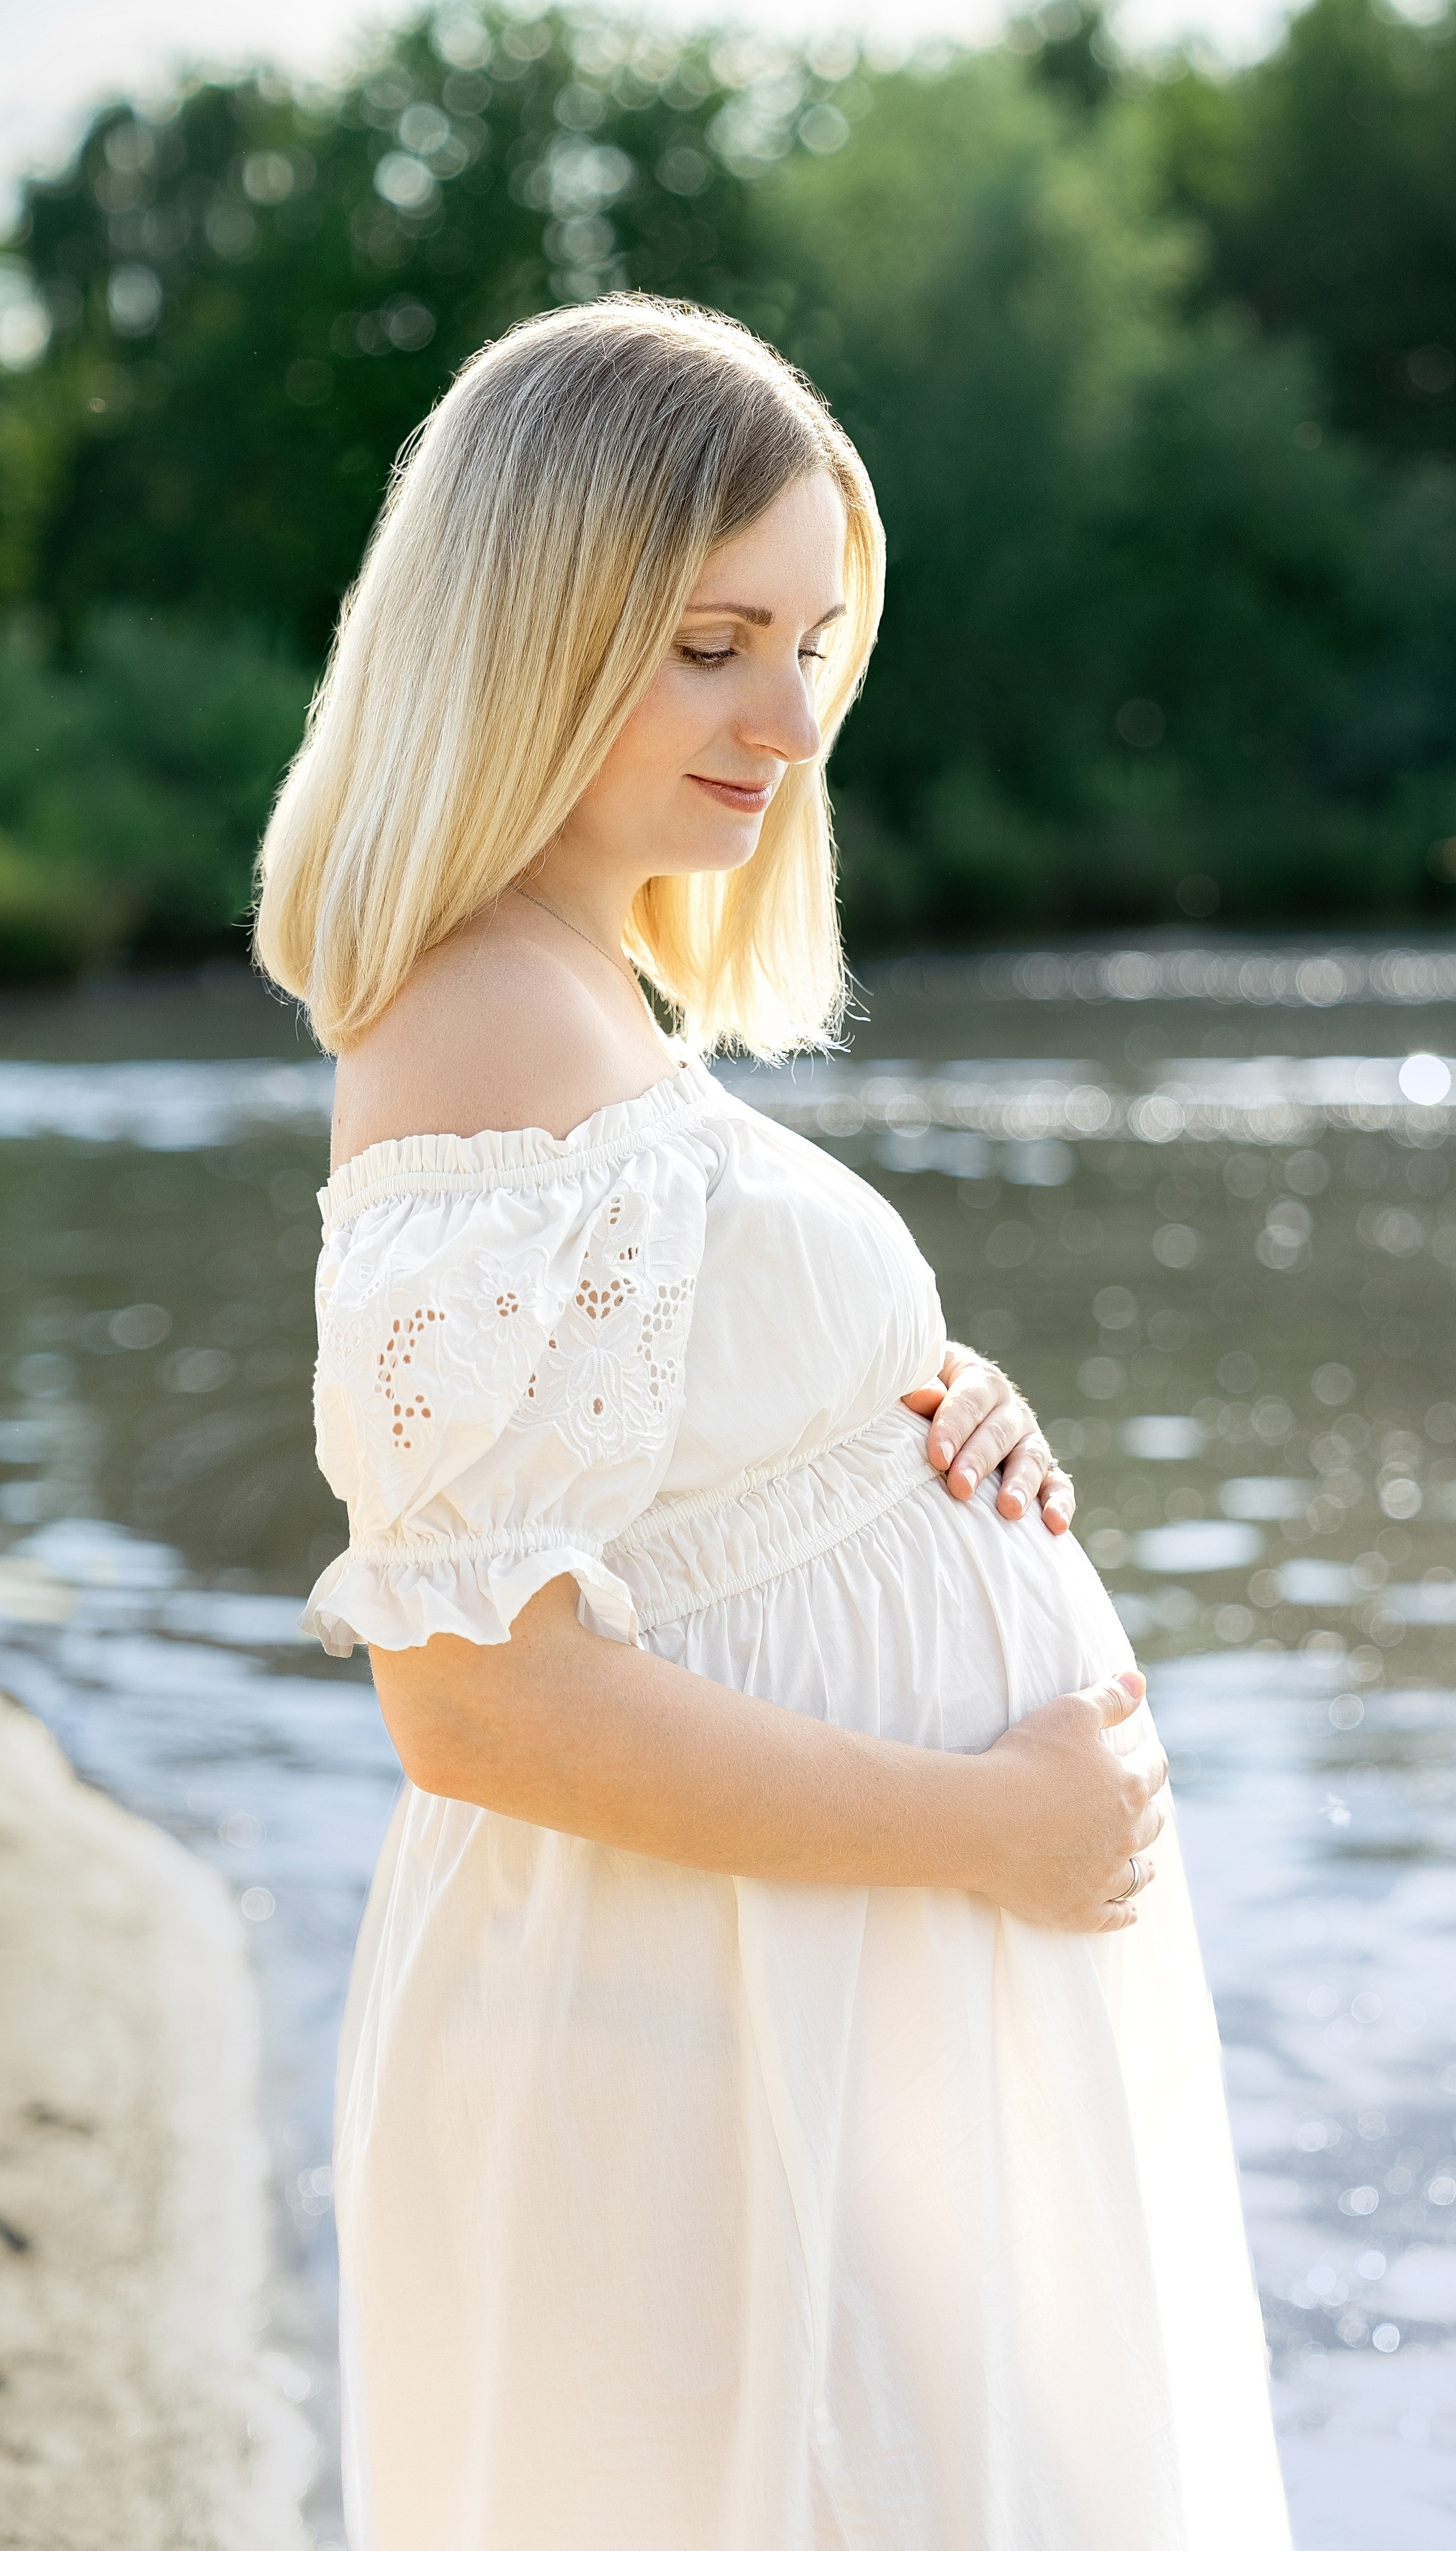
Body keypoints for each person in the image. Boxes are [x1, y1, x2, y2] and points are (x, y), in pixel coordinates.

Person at [256, 295, 1291, 2551]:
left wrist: (908, 1410)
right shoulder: (475, 1031)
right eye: (715, 642)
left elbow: (663, 1455)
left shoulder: (574, 995)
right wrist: (984, 1822)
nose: (787, 717)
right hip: (711, 2005)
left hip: (798, 1995)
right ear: (530, 628)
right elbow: (475, 1697)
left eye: (816, 645)